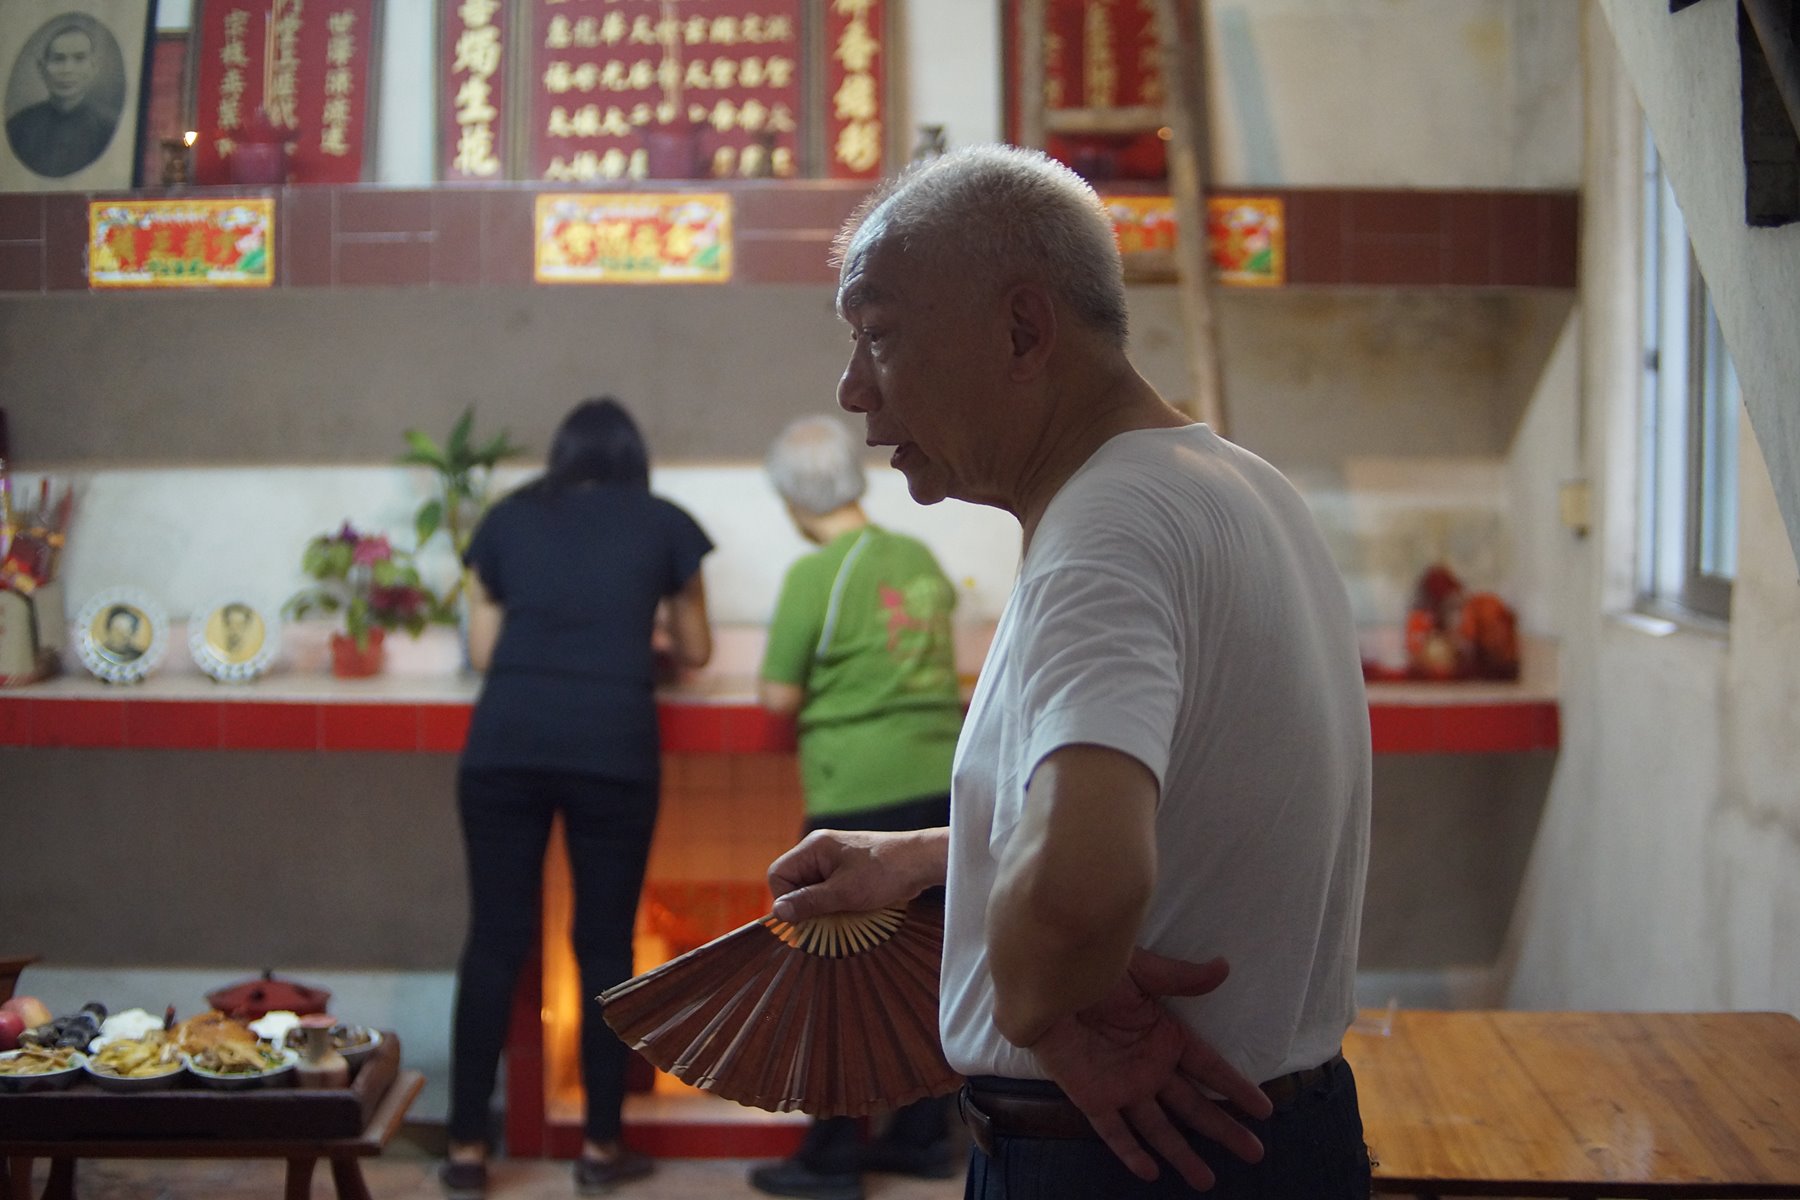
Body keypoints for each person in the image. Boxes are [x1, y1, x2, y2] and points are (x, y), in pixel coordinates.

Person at [764, 144, 1373, 1198]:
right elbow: (1194, 816)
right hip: (1269, 1137)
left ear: (1022, 331)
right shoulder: (1235, 483)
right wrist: (930, 859)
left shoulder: (1104, 531)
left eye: (880, 335)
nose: (854, 390)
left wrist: (1045, 1005)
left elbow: (1084, 892)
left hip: (1127, 1161)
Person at [441, 397, 714, 1200]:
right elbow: (697, 648)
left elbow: (484, 649)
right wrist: (638, 635)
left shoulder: (506, 519)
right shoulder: (666, 523)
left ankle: (466, 1149)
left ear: (561, 455)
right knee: (603, 946)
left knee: (494, 941)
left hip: (506, 744)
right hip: (611, 746)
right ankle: (600, 1147)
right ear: (635, 458)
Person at [747, 415, 964, 1200]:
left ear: (793, 499)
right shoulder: (918, 557)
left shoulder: (818, 574)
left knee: (837, 983)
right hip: (942, 788)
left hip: (857, 796)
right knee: (926, 972)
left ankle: (833, 1158)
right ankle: (922, 1140)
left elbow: (777, 696)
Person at [6, 20, 118, 179]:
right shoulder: (19, 127)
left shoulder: (107, 127)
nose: (67, 70)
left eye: (79, 59)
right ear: (42, 68)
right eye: (58, 59)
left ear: (93, 67)